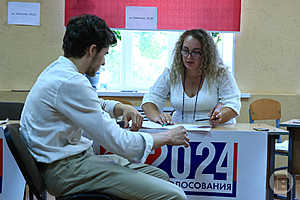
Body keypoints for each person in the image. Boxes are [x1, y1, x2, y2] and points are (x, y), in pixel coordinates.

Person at [20, 14, 189, 200]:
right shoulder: (71, 81)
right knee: (175, 196)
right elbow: (118, 142)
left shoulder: (59, 71)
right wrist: (167, 137)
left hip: (69, 163)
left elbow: (90, 102)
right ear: (92, 50)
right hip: (66, 171)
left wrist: (118, 107)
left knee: (160, 177)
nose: (104, 62)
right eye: (105, 54)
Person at [142, 29, 241, 127]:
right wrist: (158, 117)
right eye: (185, 51)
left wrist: (221, 115)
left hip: (215, 131)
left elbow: (233, 104)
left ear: (206, 54)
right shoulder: (171, 73)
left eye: (196, 52)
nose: (189, 57)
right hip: (180, 130)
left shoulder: (220, 73)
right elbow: (150, 100)